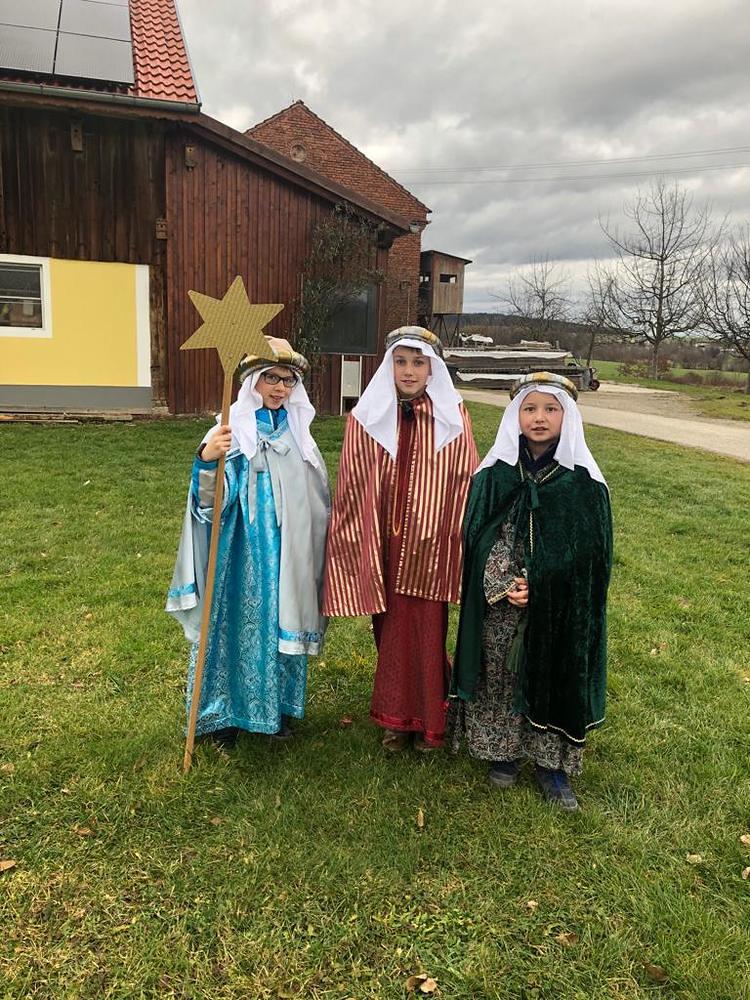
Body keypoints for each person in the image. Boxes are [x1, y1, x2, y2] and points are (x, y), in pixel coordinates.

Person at [450, 371, 612, 810]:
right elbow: (478, 537)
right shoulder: (495, 476)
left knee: (553, 674)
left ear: (567, 415)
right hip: (502, 605)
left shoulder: (584, 484)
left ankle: (551, 765)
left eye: (550, 409)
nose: (539, 418)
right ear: (516, 416)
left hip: (560, 608)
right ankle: (502, 752)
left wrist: (543, 584)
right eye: (530, 408)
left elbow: (591, 555)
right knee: (501, 673)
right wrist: (505, 584)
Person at [166, 339, 330, 748]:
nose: (280, 388)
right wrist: (208, 460)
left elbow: (316, 500)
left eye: (288, 381)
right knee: (233, 626)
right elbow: (211, 506)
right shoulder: (232, 433)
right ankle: (223, 715)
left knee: (283, 623)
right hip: (241, 554)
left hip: (288, 556)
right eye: (271, 378)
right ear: (252, 381)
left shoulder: (299, 437)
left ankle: (276, 710)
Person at [323, 326, 479, 751]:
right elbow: (354, 479)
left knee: (426, 628)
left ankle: (430, 718)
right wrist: (359, 534)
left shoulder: (451, 417)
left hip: (430, 543)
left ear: (432, 369)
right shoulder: (369, 415)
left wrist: (450, 531)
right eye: (400, 361)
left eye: (418, 362)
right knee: (390, 629)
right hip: (386, 542)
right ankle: (396, 716)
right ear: (389, 365)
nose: (409, 371)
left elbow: (464, 478)